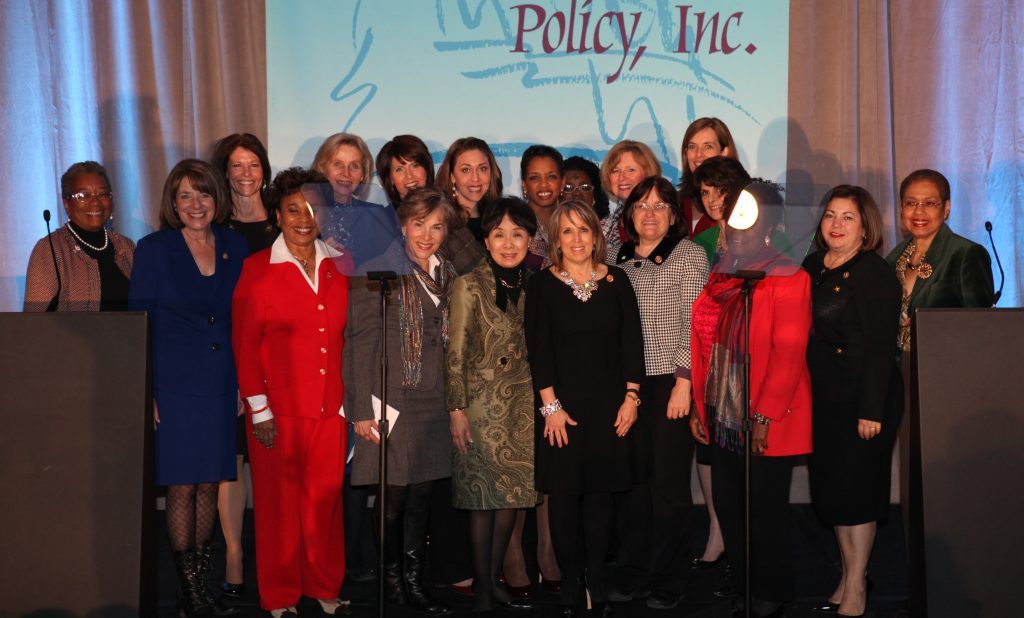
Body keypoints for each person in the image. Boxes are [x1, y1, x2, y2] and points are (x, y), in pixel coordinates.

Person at [231, 167, 351, 617]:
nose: (304, 219)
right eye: (293, 210)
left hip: (330, 408)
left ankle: (324, 585)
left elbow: (353, 337)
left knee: (325, 504)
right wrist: (258, 409)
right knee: (278, 509)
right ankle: (280, 595)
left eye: (313, 209)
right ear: (278, 216)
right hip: (277, 411)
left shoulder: (342, 264)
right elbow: (245, 343)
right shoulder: (257, 269)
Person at [129, 159, 247, 617]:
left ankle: (199, 586)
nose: (196, 204)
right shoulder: (154, 249)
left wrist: (240, 384)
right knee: (181, 487)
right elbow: (139, 324)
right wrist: (147, 391)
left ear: (217, 198)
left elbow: (240, 319)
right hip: (173, 385)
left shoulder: (234, 245)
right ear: (172, 203)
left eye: (204, 194)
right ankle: (191, 592)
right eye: (185, 196)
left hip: (220, 383)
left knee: (209, 483)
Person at [689, 182, 812, 618]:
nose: (738, 231)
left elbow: (788, 353)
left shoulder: (789, 276)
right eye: (732, 222)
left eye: (749, 222)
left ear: (770, 228)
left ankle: (772, 591)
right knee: (730, 505)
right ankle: (743, 583)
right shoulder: (720, 275)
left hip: (766, 417)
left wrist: (764, 416)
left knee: (764, 509)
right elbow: (702, 342)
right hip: (722, 412)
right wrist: (700, 406)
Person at [525, 200, 645, 618]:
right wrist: (550, 407)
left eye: (583, 230)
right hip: (561, 410)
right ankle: (571, 583)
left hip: (611, 408)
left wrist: (632, 398)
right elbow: (538, 350)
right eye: (567, 231)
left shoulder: (617, 280)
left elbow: (632, 342)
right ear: (556, 241)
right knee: (563, 497)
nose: (576, 239)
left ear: (596, 236)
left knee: (600, 497)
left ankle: (597, 579)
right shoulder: (542, 286)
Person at [346, 187, 459, 616]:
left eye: (436, 227)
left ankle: (414, 580)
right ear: (403, 226)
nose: (427, 236)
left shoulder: (449, 274)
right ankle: (391, 580)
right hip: (391, 399)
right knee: (392, 497)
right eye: (419, 225)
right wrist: (360, 410)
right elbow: (358, 345)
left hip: (436, 398)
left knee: (422, 497)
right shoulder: (377, 272)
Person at [803, 185, 902, 617]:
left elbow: (880, 349)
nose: (837, 224)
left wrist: (871, 410)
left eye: (848, 217)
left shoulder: (873, 273)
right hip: (824, 398)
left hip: (864, 400)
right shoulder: (812, 266)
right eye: (830, 215)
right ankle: (847, 576)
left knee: (858, 495)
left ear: (865, 227)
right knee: (836, 495)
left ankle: (858, 584)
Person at [610, 177, 709, 610]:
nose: (649, 214)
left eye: (659, 206)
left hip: (670, 381)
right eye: (641, 206)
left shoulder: (688, 255)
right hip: (625, 387)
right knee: (632, 484)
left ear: (673, 214)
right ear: (629, 213)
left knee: (668, 487)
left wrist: (684, 383)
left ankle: (671, 576)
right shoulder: (617, 257)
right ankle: (634, 572)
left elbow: (696, 321)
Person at [447, 197, 540, 613]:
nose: (508, 243)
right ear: (485, 240)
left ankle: (491, 577)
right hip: (478, 409)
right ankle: (483, 586)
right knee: (481, 500)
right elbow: (455, 353)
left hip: (522, 406)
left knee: (512, 499)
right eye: (499, 234)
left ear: (530, 239)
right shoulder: (468, 285)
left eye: (517, 234)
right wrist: (456, 410)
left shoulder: (536, 284)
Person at [209, 132, 278, 598]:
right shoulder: (215, 227)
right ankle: (234, 556)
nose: (246, 174)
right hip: (231, 354)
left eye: (253, 164)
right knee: (232, 459)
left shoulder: (284, 221)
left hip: (280, 357)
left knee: (270, 461)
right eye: (237, 165)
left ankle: (273, 556)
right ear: (225, 173)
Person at [885, 169, 995, 352]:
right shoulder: (893, 258)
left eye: (929, 203)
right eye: (911, 203)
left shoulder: (966, 254)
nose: (919, 211)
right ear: (902, 208)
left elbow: (981, 323)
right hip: (898, 364)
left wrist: (933, 325)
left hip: (946, 361)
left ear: (946, 208)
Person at [24, 161, 134, 312]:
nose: (95, 202)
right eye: (83, 195)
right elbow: (33, 319)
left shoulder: (126, 246)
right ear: (67, 204)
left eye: (102, 194)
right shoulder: (50, 250)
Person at [312, 132, 404, 272]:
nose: (346, 173)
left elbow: (394, 268)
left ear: (363, 174)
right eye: (338, 164)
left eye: (354, 166)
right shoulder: (306, 213)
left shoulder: (376, 216)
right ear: (323, 169)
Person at [435, 136, 500, 274]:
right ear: (452, 176)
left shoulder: (499, 219)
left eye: (483, 169)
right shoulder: (441, 222)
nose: (475, 178)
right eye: (466, 170)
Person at [598, 140, 662, 264]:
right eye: (615, 171)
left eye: (631, 170)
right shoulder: (602, 228)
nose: (621, 177)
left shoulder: (663, 219)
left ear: (648, 174)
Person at [678, 118, 739, 237]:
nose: (698, 154)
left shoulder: (743, 199)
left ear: (724, 152)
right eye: (692, 146)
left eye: (708, 146)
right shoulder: (677, 203)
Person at [690, 156, 752, 265]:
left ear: (737, 190)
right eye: (705, 192)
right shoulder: (700, 242)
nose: (711, 199)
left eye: (719, 190)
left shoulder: (766, 236)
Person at [521, 145, 564, 272]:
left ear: (562, 182)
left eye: (551, 176)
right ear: (524, 185)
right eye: (534, 177)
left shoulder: (575, 220)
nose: (543, 184)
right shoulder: (516, 222)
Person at [376, 134, 435, 208]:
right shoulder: (384, 215)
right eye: (399, 169)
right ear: (390, 179)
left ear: (426, 169)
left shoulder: (445, 209)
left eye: (415, 166)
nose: (409, 176)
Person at [561, 155, 610, 219]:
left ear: (595, 194)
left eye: (585, 187)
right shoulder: (551, 224)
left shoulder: (608, 225)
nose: (577, 193)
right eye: (568, 188)